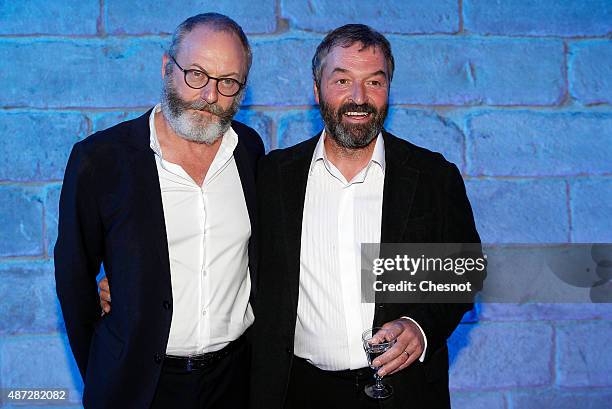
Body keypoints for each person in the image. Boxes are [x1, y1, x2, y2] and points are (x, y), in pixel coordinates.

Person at [250, 24, 483, 409]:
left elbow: (463, 271)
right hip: (298, 393)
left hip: (403, 394)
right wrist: (124, 286)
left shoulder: (432, 177)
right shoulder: (273, 176)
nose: (358, 97)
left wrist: (420, 327)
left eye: (374, 82)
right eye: (342, 80)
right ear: (317, 90)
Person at [54, 13, 263, 409]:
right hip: (140, 387)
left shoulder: (249, 152)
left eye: (228, 82)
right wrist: (105, 366)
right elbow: (73, 280)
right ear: (168, 67)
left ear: (241, 90)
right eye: (196, 74)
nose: (210, 96)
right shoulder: (100, 160)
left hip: (234, 382)